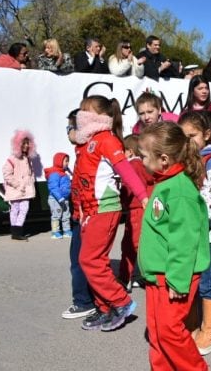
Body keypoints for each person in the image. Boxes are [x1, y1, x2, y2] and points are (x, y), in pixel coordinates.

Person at [71, 95, 149, 331]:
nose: (81, 114)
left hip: (105, 208)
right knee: (95, 261)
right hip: (89, 210)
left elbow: (126, 171)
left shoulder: (107, 140)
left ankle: (121, 301)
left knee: (89, 260)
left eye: (87, 110)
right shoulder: (85, 143)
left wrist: (143, 196)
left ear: (100, 115)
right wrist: (78, 210)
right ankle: (104, 307)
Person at [137, 122, 210, 371]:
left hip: (173, 277)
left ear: (164, 159)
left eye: (144, 156)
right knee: (158, 334)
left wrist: (178, 281)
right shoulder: (165, 183)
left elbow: (185, 241)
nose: (141, 161)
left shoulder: (179, 189)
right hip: (157, 275)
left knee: (170, 332)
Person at [178, 110, 211, 355]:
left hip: (207, 235)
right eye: (183, 136)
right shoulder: (186, 160)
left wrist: (186, 218)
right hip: (188, 233)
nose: (188, 141)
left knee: (207, 283)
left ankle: (209, 331)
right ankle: (191, 325)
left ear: (207, 134)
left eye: (193, 135)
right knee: (190, 283)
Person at [61, 109, 96, 320]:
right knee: (82, 259)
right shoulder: (81, 152)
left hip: (85, 214)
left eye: (70, 128)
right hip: (80, 213)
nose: (68, 133)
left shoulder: (88, 153)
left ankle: (84, 301)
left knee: (80, 260)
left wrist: (84, 211)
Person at [118, 135, 154, 293]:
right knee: (144, 244)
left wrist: (121, 200)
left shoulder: (132, 166)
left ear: (130, 151)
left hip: (136, 209)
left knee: (130, 245)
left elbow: (128, 187)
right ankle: (145, 275)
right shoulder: (144, 164)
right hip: (145, 207)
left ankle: (125, 278)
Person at [2, 130, 38, 241]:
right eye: (24, 143)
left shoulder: (27, 159)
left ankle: (18, 231)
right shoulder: (12, 159)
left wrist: (30, 181)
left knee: (24, 209)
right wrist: (17, 185)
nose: (26, 145)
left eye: (28, 143)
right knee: (15, 209)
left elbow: (30, 173)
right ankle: (15, 232)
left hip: (25, 190)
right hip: (16, 189)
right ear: (17, 144)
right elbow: (6, 173)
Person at [181, 75, 211, 145]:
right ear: (192, 91)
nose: (204, 91)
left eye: (206, 88)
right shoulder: (185, 112)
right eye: (200, 88)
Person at [44, 152, 72, 240]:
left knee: (66, 214)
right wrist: (59, 198)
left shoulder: (63, 173)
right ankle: (55, 232)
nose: (67, 163)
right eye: (65, 161)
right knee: (56, 215)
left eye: (68, 161)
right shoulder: (55, 174)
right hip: (56, 199)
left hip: (64, 198)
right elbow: (53, 187)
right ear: (59, 162)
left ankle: (67, 230)